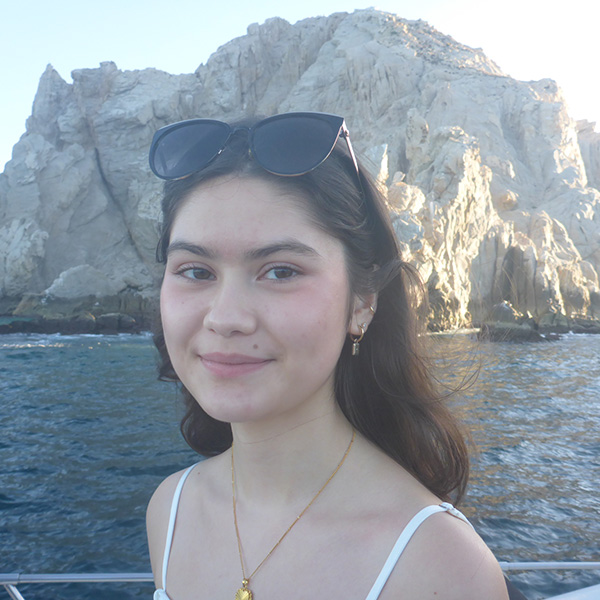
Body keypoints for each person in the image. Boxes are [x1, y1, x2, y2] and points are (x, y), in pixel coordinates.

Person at [145, 112, 513, 599]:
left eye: (280, 272)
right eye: (195, 271)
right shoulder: (170, 509)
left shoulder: (438, 566)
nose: (225, 317)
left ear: (362, 303)